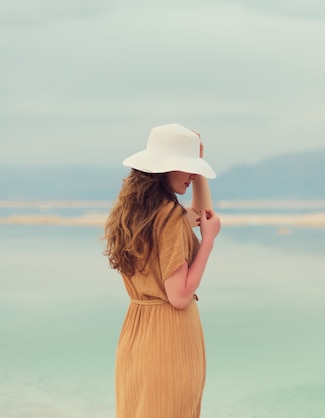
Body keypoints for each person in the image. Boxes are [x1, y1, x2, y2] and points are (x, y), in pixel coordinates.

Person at [103, 123, 221, 418]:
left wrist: (198, 170)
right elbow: (179, 295)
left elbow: (201, 214)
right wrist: (208, 241)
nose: (192, 175)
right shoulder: (169, 215)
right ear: (164, 168)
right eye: (185, 167)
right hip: (169, 337)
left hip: (136, 332)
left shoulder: (132, 213)